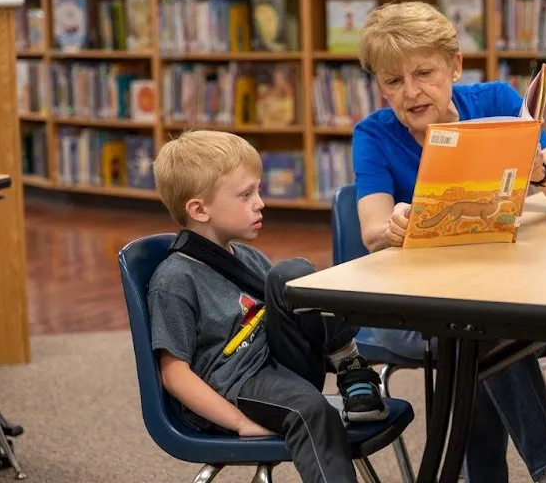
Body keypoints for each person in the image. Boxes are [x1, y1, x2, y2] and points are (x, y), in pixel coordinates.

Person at [352, 0, 546, 483]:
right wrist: (396, 226)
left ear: (455, 66)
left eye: (424, 73)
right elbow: (373, 230)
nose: (411, 92)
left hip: (497, 290)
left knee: (478, 328)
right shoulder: (373, 135)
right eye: (393, 81)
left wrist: (537, 168)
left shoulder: (500, 104)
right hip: (409, 309)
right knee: (481, 328)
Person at [147, 130, 389, 483]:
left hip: (278, 362)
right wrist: (238, 422)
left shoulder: (247, 256)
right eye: (246, 195)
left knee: (292, 273)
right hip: (237, 384)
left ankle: (350, 365)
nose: (260, 202)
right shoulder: (174, 280)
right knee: (311, 410)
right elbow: (174, 374)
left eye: (257, 190)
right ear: (199, 209)